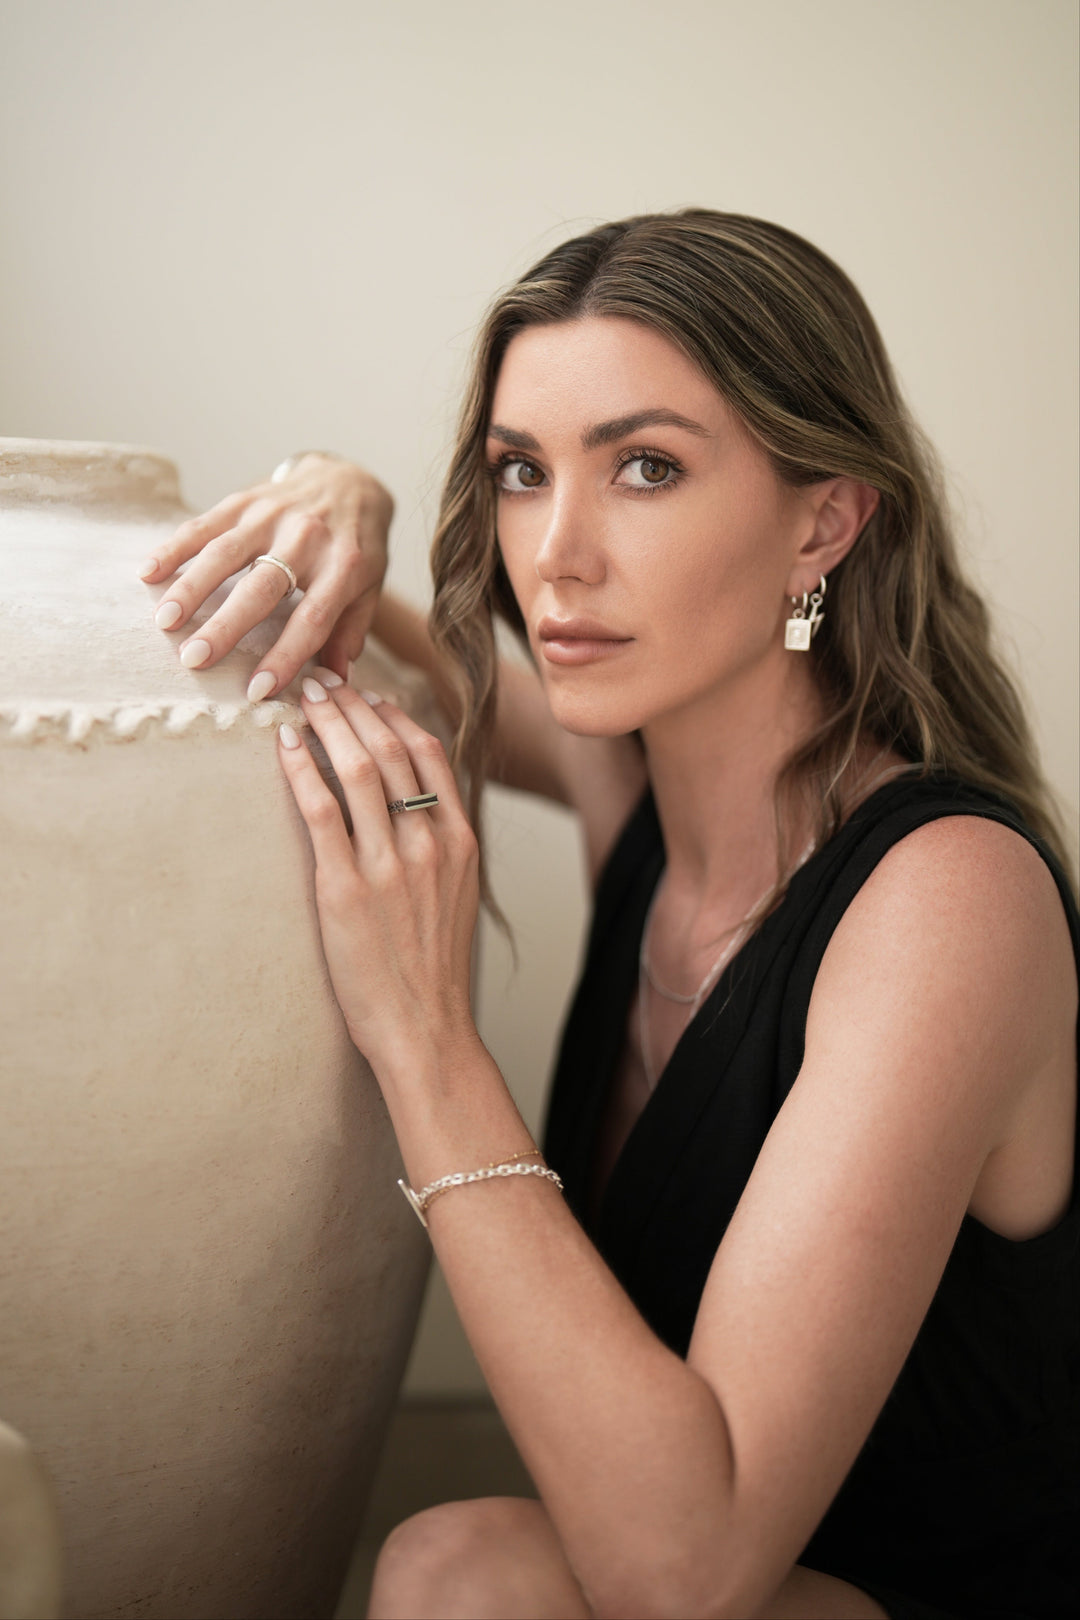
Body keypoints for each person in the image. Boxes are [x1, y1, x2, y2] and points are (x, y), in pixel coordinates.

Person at [138, 211, 1078, 1620]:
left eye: (645, 468)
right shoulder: (633, 783)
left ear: (822, 521)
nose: (554, 556)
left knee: (459, 1572)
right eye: (521, 472)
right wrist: (340, 493)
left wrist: (427, 1039)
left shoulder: (949, 898)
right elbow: (377, 640)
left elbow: (685, 1573)